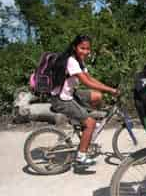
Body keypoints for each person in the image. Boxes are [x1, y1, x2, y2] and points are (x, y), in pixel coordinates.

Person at [50, 35, 119, 165]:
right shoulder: (71, 61)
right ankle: (81, 155)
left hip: (70, 93)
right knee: (91, 123)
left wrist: (108, 88)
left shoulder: (79, 60)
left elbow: (90, 78)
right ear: (75, 47)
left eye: (88, 49)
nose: (85, 52)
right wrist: (111, 90)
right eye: (82, 48)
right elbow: (87, 83)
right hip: (61, 99)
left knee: (97, 96)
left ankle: (83, 122)